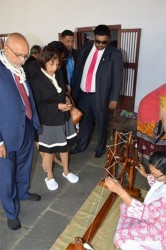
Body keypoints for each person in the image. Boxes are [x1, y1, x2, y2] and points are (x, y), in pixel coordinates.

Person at [0, 33, 41, 230]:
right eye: (19, 55)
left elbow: (28, 97)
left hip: (25, 126)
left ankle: (23, 192)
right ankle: (11, 211)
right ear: (6, 49)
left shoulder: (19, 68)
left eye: (25, 55)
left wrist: (34, 124)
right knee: (6, 176)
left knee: (25, 165)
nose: (23, 60)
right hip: (5, 136)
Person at [29, 45, 79, 191]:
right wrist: (57, 106)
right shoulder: (35, 80)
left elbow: (62, 92)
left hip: (63, 116)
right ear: (43, 62)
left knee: (64, 147)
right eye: (51, 64)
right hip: (48, 120)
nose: (55, 68)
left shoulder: (58, 74)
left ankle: (66, 171)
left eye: (57, 64)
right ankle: (49, 176)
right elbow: (37, 106)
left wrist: (67, 101)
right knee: (50, 150)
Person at [71, 24, 123, 158]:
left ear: (109, 39)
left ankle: (100, 148)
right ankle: (81, 145)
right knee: (84, 122)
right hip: (83, 94)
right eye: (98, 41)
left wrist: (114, 98)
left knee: (101, 122)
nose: (100, 44)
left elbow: (117, 78)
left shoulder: (114, 54)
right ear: (94, 38)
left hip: (101, 96)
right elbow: (78, 70)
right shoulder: (86, 49)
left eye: (104, 42)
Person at [105, 151, 166, 250]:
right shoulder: (162, 178)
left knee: (121, 238)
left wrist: (120, 191)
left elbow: (145, 211)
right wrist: (146, 174)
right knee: (126, 206)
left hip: (160, 230)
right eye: (151, 172)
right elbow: (158, 183)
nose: (153, 175)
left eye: (155, 174)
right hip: (154, 216)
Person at [137, 84, 166, 159]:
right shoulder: (165, 91)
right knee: (158, 144)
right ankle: (155, 164)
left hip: (160, 112)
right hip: (150, 112)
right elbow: (163, 116)